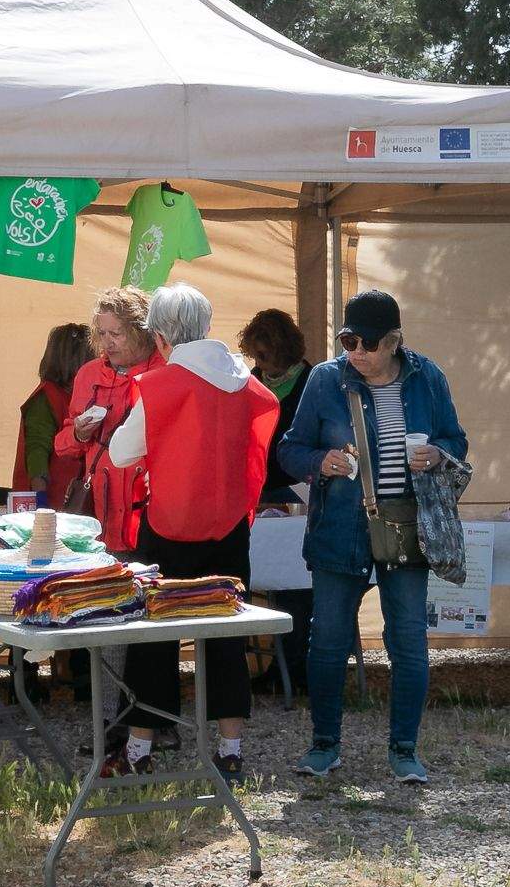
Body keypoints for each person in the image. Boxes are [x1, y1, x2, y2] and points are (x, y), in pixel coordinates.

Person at [278, 290, 467, 784]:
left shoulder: (428, 378)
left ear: (394, 342)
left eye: (367, 343)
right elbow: (289, 450)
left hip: (406, 524)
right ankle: (324, 745)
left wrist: (438, 454)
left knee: (408, 640)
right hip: (341, 526)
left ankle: (405, 749)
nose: (356, 352)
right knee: (327, 640)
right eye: (347, 340)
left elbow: (457, 439)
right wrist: (320, 462)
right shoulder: (325, 378)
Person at [106, 283, 278, 780]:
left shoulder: (164, 383)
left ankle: (138, 752)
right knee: (228, 635)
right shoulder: (247, 383)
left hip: (170, 526)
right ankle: (230, 749)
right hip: (229, 527)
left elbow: (121, 453)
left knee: (154, 637)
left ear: (159, 336)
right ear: (205, 326)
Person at [55, 287, 166, 555]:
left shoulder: (165, 371)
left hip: (151, 518)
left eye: (116, 333)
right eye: (102, 334)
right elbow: (62, 446)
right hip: (99, 521)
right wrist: (79, 434)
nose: (107, 343)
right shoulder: (88, 374)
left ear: (141, 332)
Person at [239, 308, 316, 692]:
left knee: (295, 583)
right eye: (255, 357)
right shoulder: (252, 382)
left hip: (299, 495)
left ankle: (296, 669)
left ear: (284, 349)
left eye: (265, 356)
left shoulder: (312, 381)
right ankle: (275, 669)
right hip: (260, 492)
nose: (260, 365)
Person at [13, 323, 92, 505]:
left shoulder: (79, 395)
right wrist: (41, 502)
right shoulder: (46, 397)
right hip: (54, 501)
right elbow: (37, 450)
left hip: (74, 499)